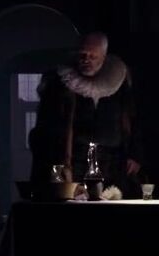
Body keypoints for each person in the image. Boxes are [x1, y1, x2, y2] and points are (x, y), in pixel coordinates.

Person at [31, 32, 143, 196]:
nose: (86, 60)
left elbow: (132, 119)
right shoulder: (61, 85)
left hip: (112, 162)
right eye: (82, 54)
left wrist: (135, 154)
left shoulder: (120, 84)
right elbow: (47, 127)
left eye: (92, 56)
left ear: (103, 56)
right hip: (74, 161)